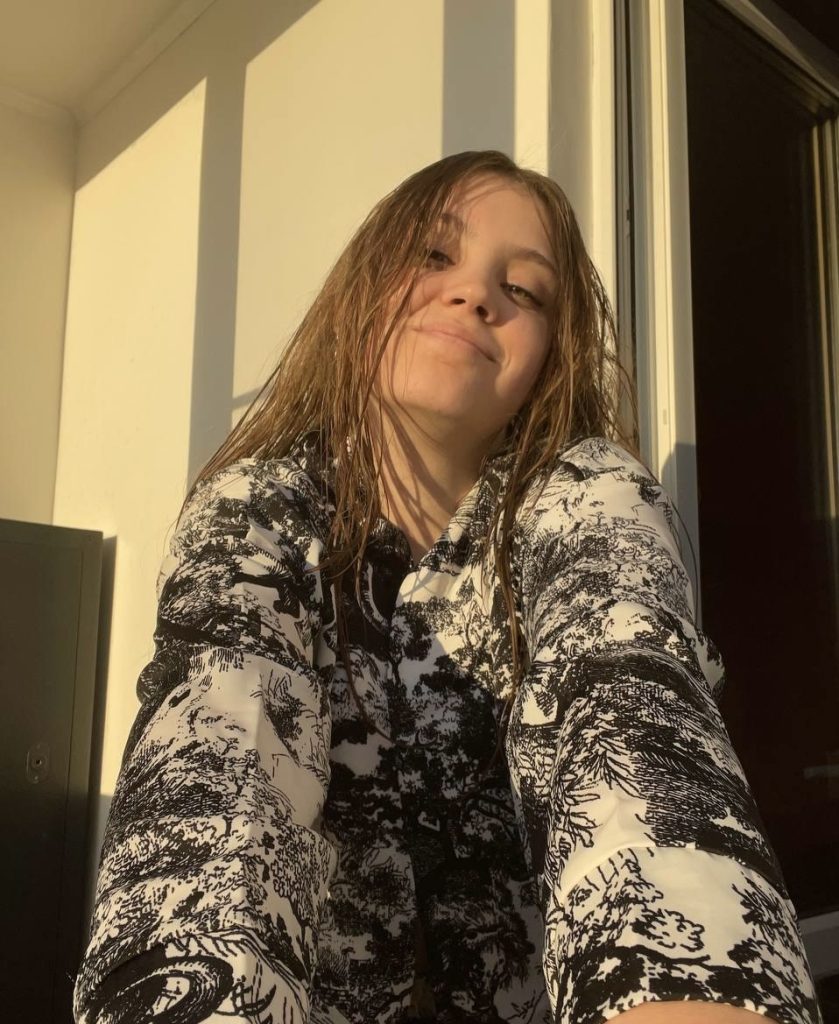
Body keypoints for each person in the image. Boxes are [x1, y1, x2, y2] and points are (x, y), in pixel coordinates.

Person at [73, 151, 821, 1024]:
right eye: (433, 256)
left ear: (550, 355)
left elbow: (628, 704)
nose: (474, 294)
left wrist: (687, 985)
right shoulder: (253, 512)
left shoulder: (591, 497)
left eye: (524, 290)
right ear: (361, 287)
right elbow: (218, 752)